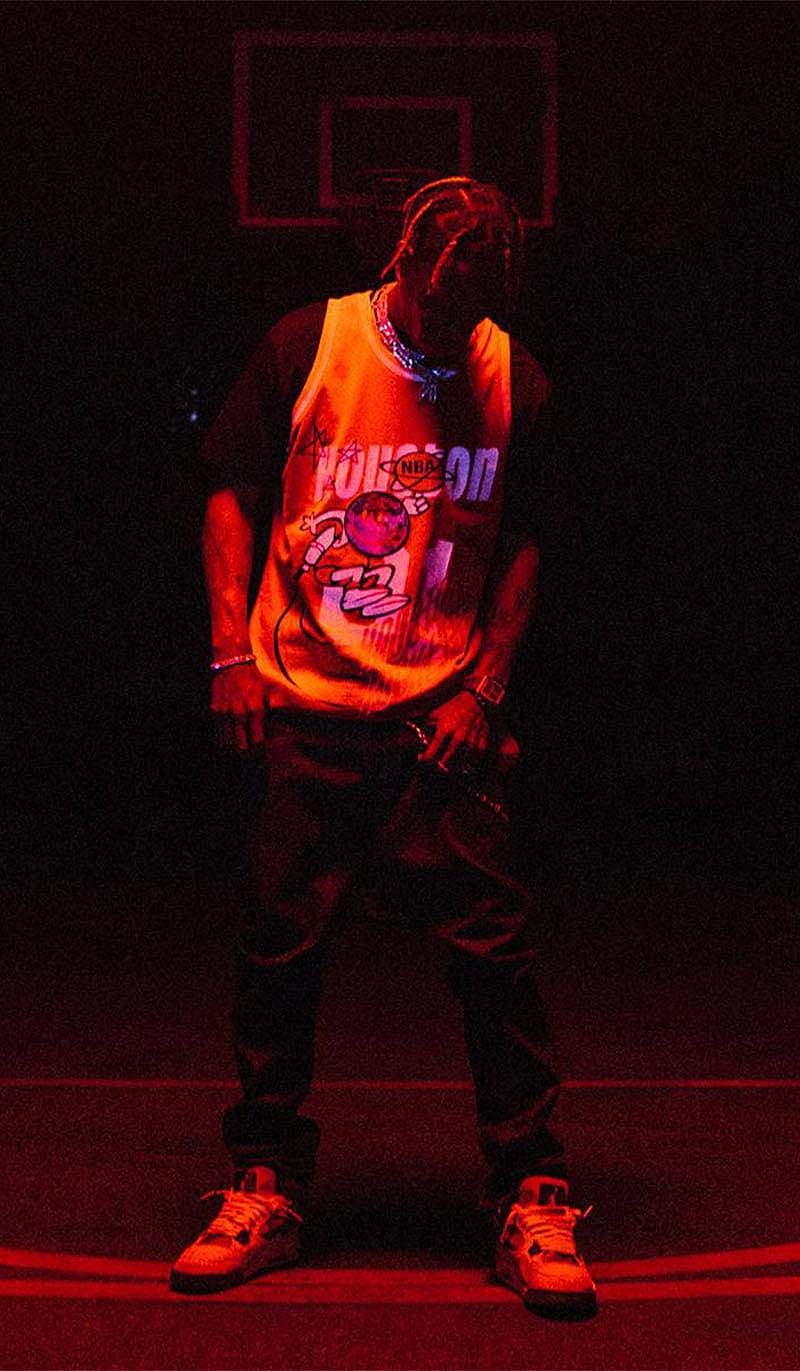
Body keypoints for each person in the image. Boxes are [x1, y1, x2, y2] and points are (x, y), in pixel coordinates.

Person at [170, 178, 596, 1315]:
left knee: (495, 959)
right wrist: (229, 654)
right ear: (401, 264)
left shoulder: (513, 375)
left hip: (435, 717)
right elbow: (232, 491)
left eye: (473, 312)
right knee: (279, 954)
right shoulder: (309, 343)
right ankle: (264, 1181)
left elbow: (525, 540)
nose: (452, 328)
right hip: (307, 699)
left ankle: (530, 1189)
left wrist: (487, 692)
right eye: (438, 306)